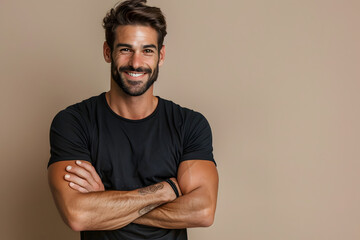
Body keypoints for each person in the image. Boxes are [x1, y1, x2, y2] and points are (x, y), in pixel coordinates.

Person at [47, 0, 218, 239]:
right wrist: (165, 191)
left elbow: (203, 211)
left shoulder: (189, 124)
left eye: (147, 50)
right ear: (108, 52)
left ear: (161, 55)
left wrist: (105, 201)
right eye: (126, 49)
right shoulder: (74, 122)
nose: (136, 63)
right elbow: (78, 215)